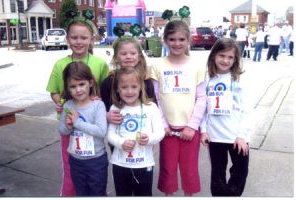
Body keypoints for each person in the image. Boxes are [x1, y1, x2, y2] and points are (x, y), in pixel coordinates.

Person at [46, 15, 109, 196]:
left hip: (92, 126)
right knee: (70, 167)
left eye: (84, 38)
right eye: (74, 37)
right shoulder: (60, 64)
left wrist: (101, 102)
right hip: (70, 125)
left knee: (93, 172)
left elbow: (105, 89)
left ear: (91, 40)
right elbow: (54, 90)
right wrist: (59, 103)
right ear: (68, 39)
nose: (79, 41)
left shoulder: (99, 63)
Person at [150, 20, 206, 196]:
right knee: (168, 168)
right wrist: (163, 124)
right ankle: (169, 195)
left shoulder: (197, 65)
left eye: (181, 39)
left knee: (189, 169)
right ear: (165, 40)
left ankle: (188, 195)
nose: (177, 43)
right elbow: (155, 98)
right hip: (167, 128)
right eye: (172, 39)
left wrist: (192, 126)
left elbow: (202, 97)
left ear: (188, 40)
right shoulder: (157, 65)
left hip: (190, 128)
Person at [200, 38, 253, 196]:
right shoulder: (206, 79)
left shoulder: (239, 80)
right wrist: (203, 130)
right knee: (217, 175)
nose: (225, 60)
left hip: (237, 138)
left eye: (230, 57)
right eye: (222, 55)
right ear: (214, 55)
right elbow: (203, 108)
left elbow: (247, 110)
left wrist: (242, 136)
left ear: (235, 59)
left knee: (240, 172)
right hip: (215, 137)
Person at [107, 68, 165, 196]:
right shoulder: (115, 108)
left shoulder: (151, 108)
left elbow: (160, 132)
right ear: (117, 88)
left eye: (134, 87)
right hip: (120, 164)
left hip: (144, 164)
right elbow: (110, 134)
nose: (129, 91)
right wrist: (121, 142)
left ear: (141, 87)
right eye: (124, 87)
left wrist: (149, 138)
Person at [58, 61, 108, 196]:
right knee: (81, 193)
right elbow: (62, 130)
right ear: (68, 88)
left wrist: (77, 122)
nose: (78, 90)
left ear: (90, 83)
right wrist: (68, 126)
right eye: (73, 86)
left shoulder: (98, 105)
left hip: (96, 161)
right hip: (76, 161)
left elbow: (101, 131)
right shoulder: (68, 105)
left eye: (82, 84)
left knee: (97, 193)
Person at [100, 37, 157, 152]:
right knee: (120, 164)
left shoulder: (146, 81)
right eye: (123, 53)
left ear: (139, 56)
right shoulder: (109, 82)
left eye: (132, 53)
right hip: (118, 134)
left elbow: (153, 106)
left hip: (142, 134)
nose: (128, 56)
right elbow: (102, 107)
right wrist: (106, 115)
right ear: (116, 57)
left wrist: (152, 133)